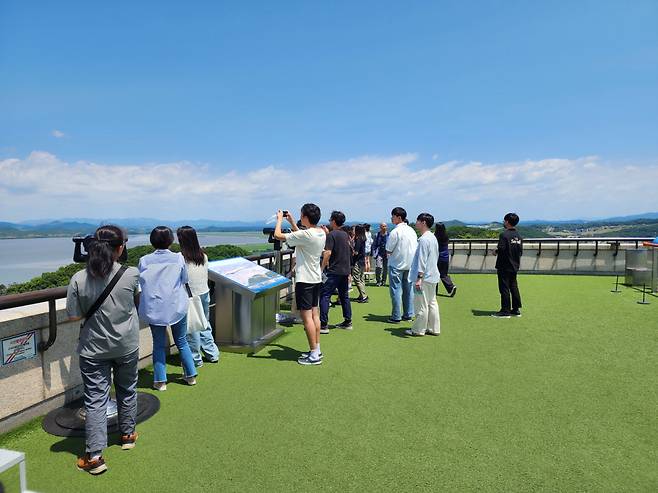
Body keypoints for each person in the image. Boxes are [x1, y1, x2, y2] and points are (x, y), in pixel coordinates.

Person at [66, 225, 140, 475]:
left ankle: (95, 457)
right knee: (127, 390)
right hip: (127, 344)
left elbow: (74, 317)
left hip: (93, 349)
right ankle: (128, 435)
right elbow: (135, 303)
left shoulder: (78, 278)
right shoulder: (131, 274)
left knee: (96, 401)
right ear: (120, 248)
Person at [139, 226, 197, 390]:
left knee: (158, 344)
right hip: (177, 305)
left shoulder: (144, 260)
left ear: (152, 241)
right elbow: (185, 279)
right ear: (171, 240)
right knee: (182, 341)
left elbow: (142, 284)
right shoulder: (178, 258)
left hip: (154, 306)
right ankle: (190, 376)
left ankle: (160, 381)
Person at [274, 204, 326, 365]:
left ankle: (313, 354)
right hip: (316, 278)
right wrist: (291, 222)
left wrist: (280, 220)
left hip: (305, 280)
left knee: (306, 318)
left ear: (305, 217)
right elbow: (301, 235)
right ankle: (316, 349)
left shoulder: (307, 235)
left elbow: (277, 235)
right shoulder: (320, 233)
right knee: (314, 315)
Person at [177, 226, 220, 367]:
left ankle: (195, 359)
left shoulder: (181, 258)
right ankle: (212, 353)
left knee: (192, 329)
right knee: (204, 323)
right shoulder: (203, 256)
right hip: (204, 292)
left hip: (190, 296)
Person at [405, 214, 441, 336]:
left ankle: (418, 329)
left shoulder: (424, 239)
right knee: (432, 302)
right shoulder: (432, 237)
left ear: (423, 222)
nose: (416, 223)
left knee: (421, 304)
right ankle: (434, 328)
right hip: (433, 276)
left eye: (418, 221)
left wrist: (419, 278)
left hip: (424, 278)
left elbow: (422, 260)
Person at [320, 211, 353, 332]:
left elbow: (328, 252)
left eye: (330, 220)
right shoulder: (345, 235)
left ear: (333, 221)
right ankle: (347, 321)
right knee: (344, 296)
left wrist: (322, 268)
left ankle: (323, 325)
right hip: (345, 270)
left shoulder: (331, 235)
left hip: (334, 271)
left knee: (325, 295)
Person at [386, 207, 418, 323]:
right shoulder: (412, 231)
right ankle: (408, 314)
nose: (391, 218)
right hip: (410, 265)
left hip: (396, 264)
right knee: (408, 290)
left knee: (396, 291)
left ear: (398, 217)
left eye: (393, 216)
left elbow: (388, 250)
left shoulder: (395, 232)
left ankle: (396, 316)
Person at [492, 213, 523, 318]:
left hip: (504, 265)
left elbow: (501, 249)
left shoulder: (504, 235)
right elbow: (520, 251)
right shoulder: (518, 236)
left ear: (507, 222)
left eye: (504, 220)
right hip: (515, 264)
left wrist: (495, 251)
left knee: (504, 288)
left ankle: (505, 311)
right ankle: (516, 309)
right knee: (513, 286)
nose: (503, 222)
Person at [434, 223, 457, 296]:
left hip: (437, 257)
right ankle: (451, 287)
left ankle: (434, 291)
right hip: (445, 257)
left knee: (435, 274)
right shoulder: (446, 236)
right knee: (444, 274)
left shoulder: (435, 237)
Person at [352, 224, 369, 302]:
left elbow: (356, 252)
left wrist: (351, 248)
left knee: (356, 278)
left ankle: (364, 295)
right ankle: (362, 294)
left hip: (358, 261)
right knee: (361, 278)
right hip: (362, 260)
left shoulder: (358, 239)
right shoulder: (363, 238)